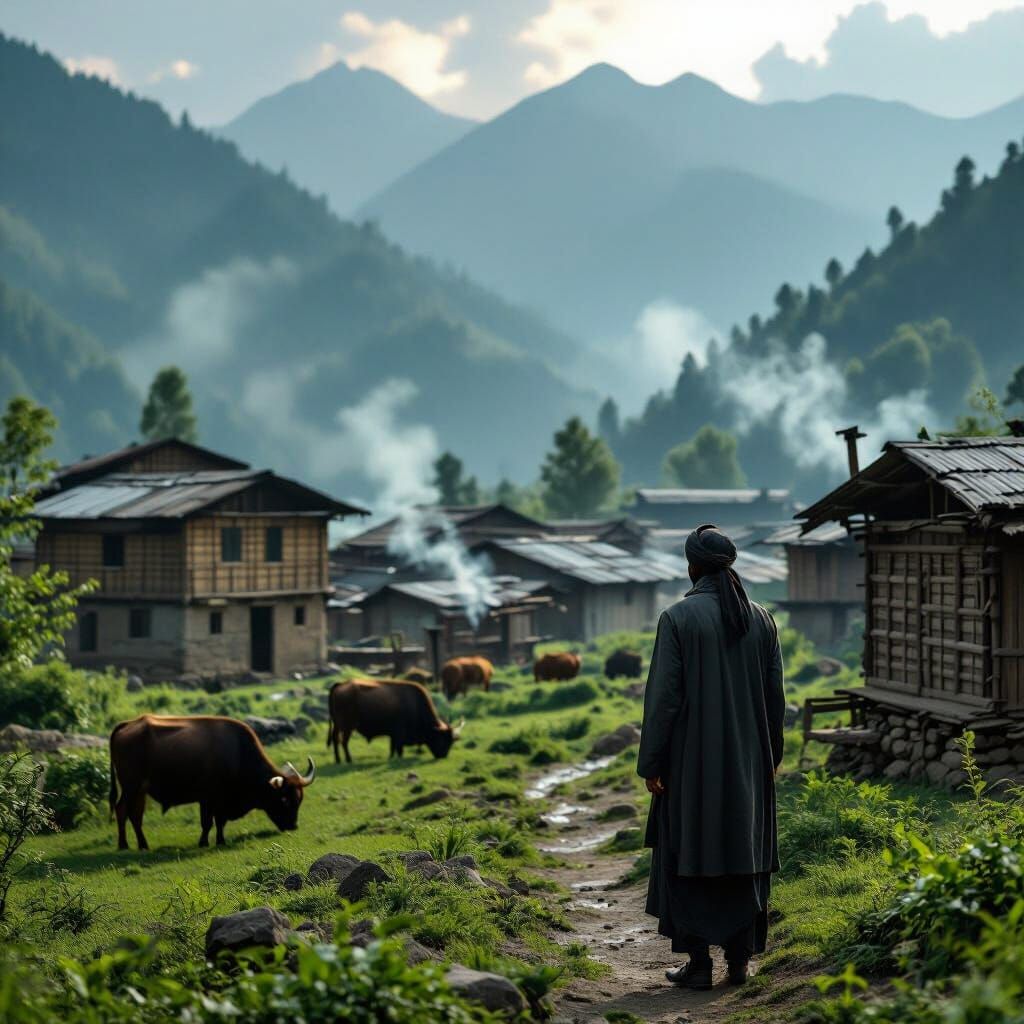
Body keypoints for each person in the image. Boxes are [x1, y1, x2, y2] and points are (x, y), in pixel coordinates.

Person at [637, 523, 785, 990]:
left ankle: (699, 965)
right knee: (743, 852)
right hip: (748, 766)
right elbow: (775, 699)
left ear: (691, 566)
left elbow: (664, 700)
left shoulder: (678, 618)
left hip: (691, 767)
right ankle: (739, 963)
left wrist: (652, 764)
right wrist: (770, 758)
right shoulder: (762, 619)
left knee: (690, 852)